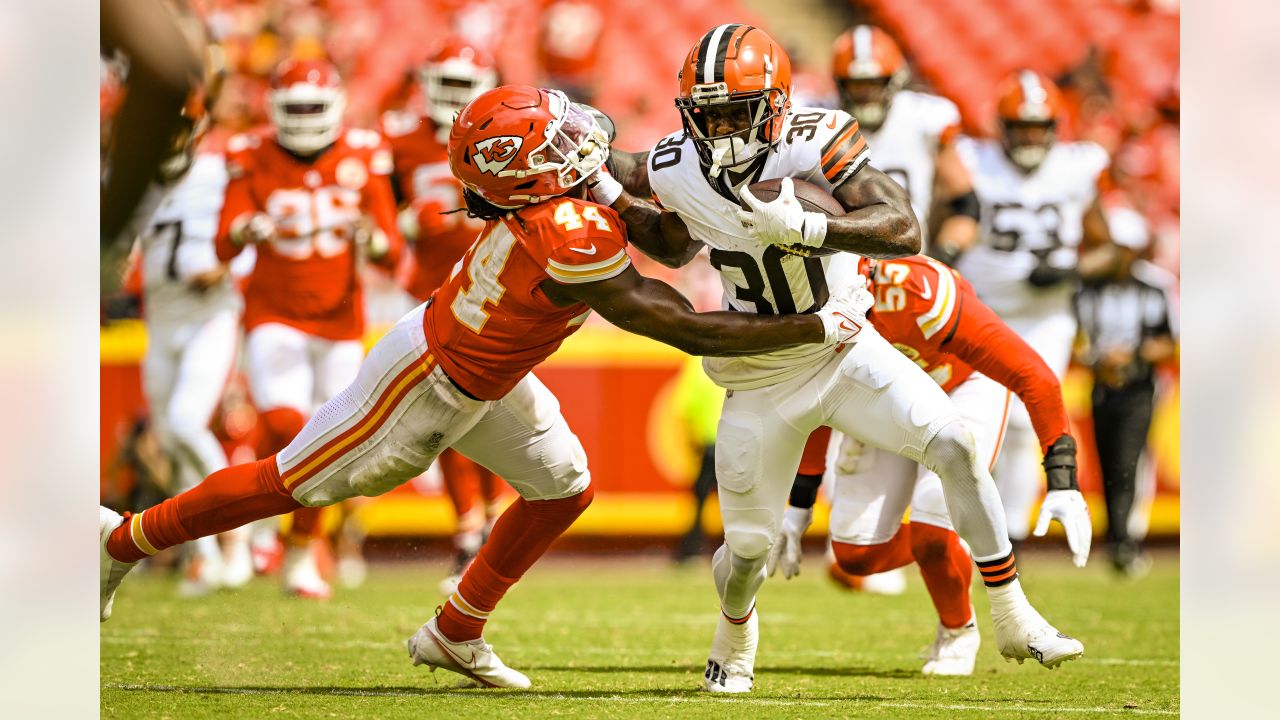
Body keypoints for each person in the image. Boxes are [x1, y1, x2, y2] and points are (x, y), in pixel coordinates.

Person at [100, 84, 872, 691]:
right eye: (559, 138)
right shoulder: (562, 229)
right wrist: (814, 327)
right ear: (527, 169)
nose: (581, 140)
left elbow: (666, 240)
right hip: (426, 381)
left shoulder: (565, 195)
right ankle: (124, 540)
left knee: (564, 487)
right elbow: (683, 324)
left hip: (489, 378)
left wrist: (712, 193)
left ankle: (456, 629)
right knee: (289, 484)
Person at [601, 24, 1084, 694]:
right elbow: (673, 243)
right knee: (746, 552)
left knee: (953, 445)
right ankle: (734, 632)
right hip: (761, 370)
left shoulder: (815, 137)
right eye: (708, 113)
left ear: (774, 104)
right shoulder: (680, 163)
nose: (722, 127)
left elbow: (904, 227)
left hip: (842, 344)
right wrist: (601, 185)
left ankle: (1012, 612)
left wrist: (815, 228)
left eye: (737, 111)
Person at [770, 254, 1092, 676]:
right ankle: (960, 537)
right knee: (855, 555)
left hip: (961, 387)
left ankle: (958, 631)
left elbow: (1033, 374)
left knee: (931, 530)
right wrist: (799, 505)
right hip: (883, 398)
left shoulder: (918, 294)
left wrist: (1062, 479)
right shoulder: (806, 306)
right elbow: (817, 402)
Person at [214, 57, 405, 599]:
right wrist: (245, 227)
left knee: (331, 444)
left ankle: (300, 553)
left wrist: (372, 239)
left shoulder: (364, 152)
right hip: (274, 312)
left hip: (341, 322)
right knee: (283, 422)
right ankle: (255, 525)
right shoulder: (248, 152)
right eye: (292, 107)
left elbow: (393, 251)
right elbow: (222, 240)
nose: (301, 118)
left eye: (311, 107)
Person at [950, 69, 1115, 551]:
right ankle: (963, 533)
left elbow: (1110, 248)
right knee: (966, 426)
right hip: (979, 309)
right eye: (1019, 127)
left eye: (1036, 128)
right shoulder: (971, 161)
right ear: (1001, 128)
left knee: (1024, 424)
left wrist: (1072, 271)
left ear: (1053, 130)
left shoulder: (1076, 169)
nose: (1028, 137)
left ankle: (1011, 539)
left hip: (1045, 316)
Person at [380, 37, 506, 595]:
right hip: (425, 293)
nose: (451, 96)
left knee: (488, 414)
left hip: (491, 293)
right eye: (445, 83)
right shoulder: (398, 142)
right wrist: (402, 225)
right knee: (447, 415)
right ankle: (469, 529)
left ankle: (487, 519)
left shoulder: (504, 132)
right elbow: (376, 221)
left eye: (463, 85)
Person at [125, 73, 255, 595]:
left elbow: (249, 230)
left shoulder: (219, 171)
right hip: (161, 320)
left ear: (196, 129)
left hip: (209, 314)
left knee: (184, 423)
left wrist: (228, 267)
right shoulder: (132, 179)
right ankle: (203, 554)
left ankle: (239, 541)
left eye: (175, 128)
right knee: (172, 445)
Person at [1073, 206, 1176, 576]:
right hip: (1102, 384)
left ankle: (1127, 540)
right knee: (1107, 461)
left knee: (1132, 460)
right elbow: (1076, 340)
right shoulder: (1086, 287)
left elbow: (1171, 340)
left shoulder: (1155, 284)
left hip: (1141, 385)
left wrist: (1132, 356)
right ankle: (1117, 539)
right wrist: (1097, 360)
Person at [830, 25, 977, 259]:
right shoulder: (823, 121)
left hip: (907, 261)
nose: (866, 94)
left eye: (874, 84)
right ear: (840, 84)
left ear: (893, 82)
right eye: (857, 85)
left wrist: (946, 252)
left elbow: (964, 203)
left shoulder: (924, 118)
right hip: (839, 264)